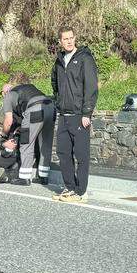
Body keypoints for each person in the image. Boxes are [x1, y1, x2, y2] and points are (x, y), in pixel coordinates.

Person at [50, 26, 99, 202]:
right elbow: (55, 83)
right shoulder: (59, 61)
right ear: (60, 41)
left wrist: (87, 113)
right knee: (63, 153)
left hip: (79, 115)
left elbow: (91, 87)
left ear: (75, 38)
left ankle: (81, 192)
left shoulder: (85, 58)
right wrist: (59, 102)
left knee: (81, 155)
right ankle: (70, 188)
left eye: (71, 37)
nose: (69, 41)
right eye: (65, 39)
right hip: (64, 115)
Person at [0, 74, 55, 187]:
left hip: (35, 110)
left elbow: (8, 121)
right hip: (51, 108)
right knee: (45, 144)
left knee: (26, 143)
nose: (2, 96)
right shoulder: (28, 87)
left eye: (1, 93)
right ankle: (43, 177)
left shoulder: (8, 96)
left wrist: (4, 135)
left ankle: (24, 178)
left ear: (5, 92)